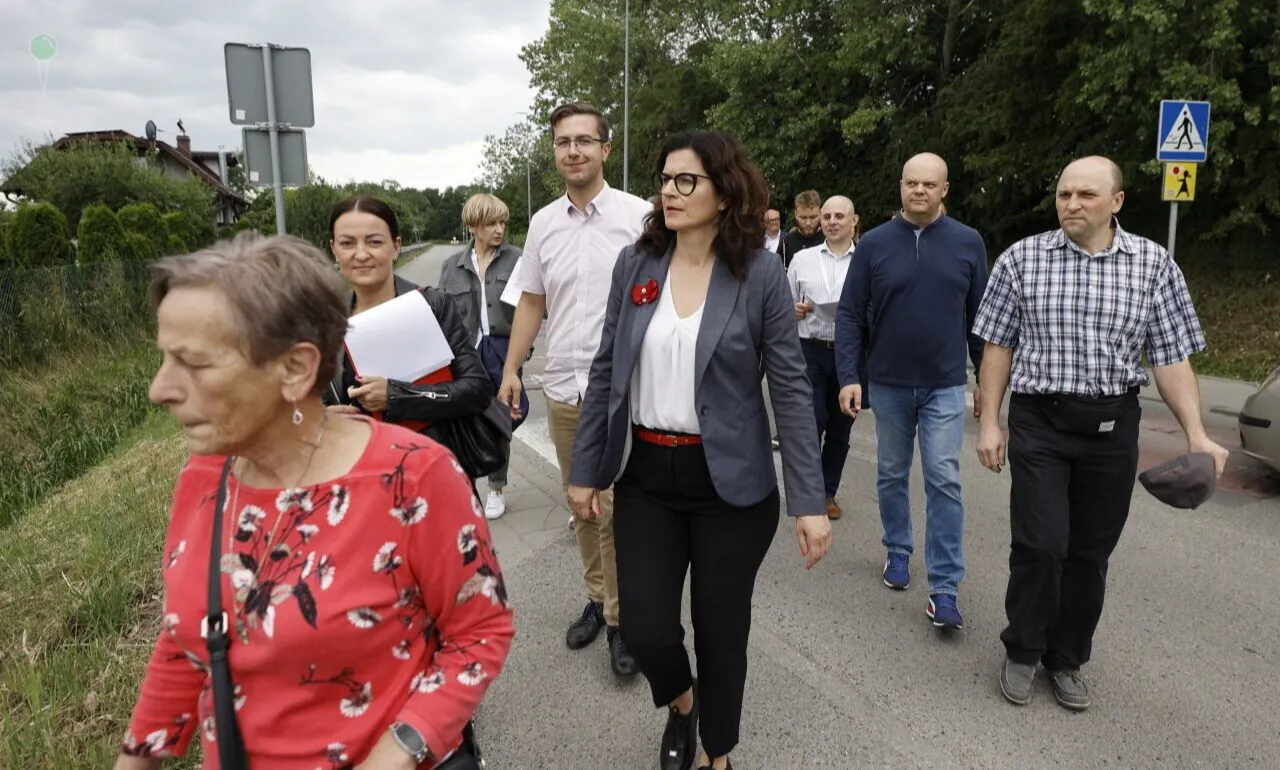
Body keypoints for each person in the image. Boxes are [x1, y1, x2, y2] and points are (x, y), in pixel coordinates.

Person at [116, 232, 514, 769]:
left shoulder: (413, 477)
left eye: (195, 363)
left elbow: (480, 630)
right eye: (165, 359)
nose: (160, 389)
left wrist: (396, 754)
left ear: (296, 369)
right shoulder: (204, 478)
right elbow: (185, 643)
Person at [566, 129, 833, 770]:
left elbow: (791, 388)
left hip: (730, 487)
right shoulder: (636, 264)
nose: (670, 191)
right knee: (644, 629)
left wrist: (810, 500)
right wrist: (586, 467)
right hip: (646, 476)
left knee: (721, 631)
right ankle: (682, 704)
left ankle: (718, 751)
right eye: (665, 179)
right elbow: (607, 370)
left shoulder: (759, 273)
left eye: (687, 180)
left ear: (726, 191)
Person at [971, 155, 1228, 711]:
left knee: (1089, 553)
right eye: (1064, 194)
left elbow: (1171, 358)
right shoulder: (1022, 259)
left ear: (1116, 201)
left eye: (1085, 195)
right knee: (1041, 544)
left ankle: (1066, 659)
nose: (1071, 204)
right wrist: (990, 421)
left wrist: (1197, 434)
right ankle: (1023, 649)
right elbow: (998, 346)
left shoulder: (1153, 266)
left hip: (1112, 428)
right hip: (1040, 421)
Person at [497, 101, 650, 679]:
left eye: (585, 140)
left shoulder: (640, 217)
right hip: (564, 385)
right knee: (580, 503)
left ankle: (620, 618)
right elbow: (532, 300)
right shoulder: (542, 224)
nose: (574, 150)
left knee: (613, 507)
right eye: (564, 142)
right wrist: (512, 368)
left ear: (606, 149)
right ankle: (597, 597)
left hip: (625, 389)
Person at [835, 152, 988, 631]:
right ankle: (897, 548)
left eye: (928, 184)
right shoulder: (874, 244)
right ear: (901, 187)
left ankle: (944, 587)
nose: (919, 190)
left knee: (944, 477)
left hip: (945, 384)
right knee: (891, 472)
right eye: (911, 183)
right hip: (889, 383)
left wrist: (986, 382)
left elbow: (981, 320)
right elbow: (850, 313)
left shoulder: (968, 242)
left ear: (945, 190)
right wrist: (849, 375)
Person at [322, 196, 493, 477]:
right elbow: (303, 403)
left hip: (431, 473)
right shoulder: (324, 322)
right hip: (356, 478)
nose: (361, 254)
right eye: (347, 243)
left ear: (396, 246)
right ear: (334, 250)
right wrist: (319, 419)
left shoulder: (432, 306)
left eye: (374, 242)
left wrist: (395, 396)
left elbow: (477, 390)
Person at [438, 193, 528, 520]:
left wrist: (521, 355)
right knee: (465, 421)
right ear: (474, 226)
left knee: (501, 419)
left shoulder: (518, 260)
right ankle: (466, 486)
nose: (499, 229)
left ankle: (497, 488)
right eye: (491, 223)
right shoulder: (452, 267)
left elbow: (531, 310)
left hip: (504, 351)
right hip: (465, 355)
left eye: (502, 222)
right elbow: (442, 316)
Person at [788, 195, 861, 520]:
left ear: (853, 221)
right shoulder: (801, 259)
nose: (832, 222)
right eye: (827, 216)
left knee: (840, 428)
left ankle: (828, 492)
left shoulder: (865, 261)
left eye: (839, 216)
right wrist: (793, 310)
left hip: (849, 353)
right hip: (810, 349)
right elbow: (784, 303)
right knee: (812, 420)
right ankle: (808, 491)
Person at [775, 189, 824, 269]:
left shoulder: (830, 241)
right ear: (795, 214)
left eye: (813, 217)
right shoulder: (786, 243)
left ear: (820, 213)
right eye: (803, 218)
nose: (808, 223)